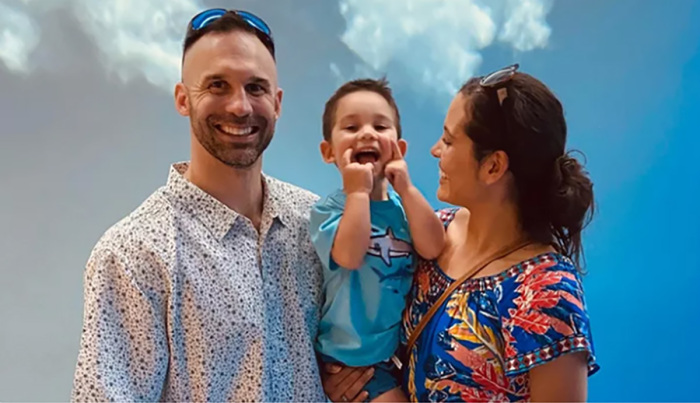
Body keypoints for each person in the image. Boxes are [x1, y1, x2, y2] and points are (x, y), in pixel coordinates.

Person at [71, 9, 327, 402]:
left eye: (256, 88)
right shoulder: (134, 253)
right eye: (218, 85)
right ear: (183, 99)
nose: (240, 106)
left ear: (277, 103)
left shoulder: (318, 225)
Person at [323, 64, 599, 402]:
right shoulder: (428, 231)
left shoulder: (546, 292)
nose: (435, 150)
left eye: (449, 140)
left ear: (493, 166)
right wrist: (348, 381)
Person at [310, 79, 445, 402]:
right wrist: (357, 191)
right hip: (348, 360)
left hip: (395, 354)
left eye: (380, 126)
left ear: (399, 147)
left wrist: (408, 189)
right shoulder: (328, 210)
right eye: (352, 126)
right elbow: (349, 255)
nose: (367, 133)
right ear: (329, 152)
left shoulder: (403, 208)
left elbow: (433, 246)